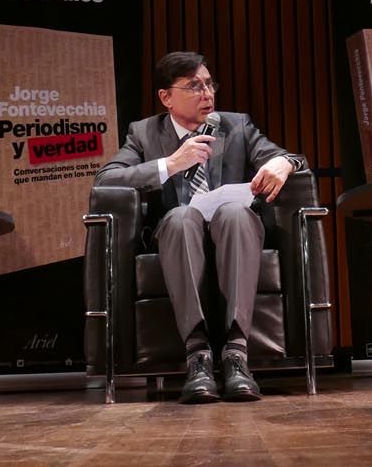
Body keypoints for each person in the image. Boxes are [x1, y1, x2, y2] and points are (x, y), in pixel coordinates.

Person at [95, 52, 302, 404]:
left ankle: (237, 356)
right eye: (194, 86)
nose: (207, 93)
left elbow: (284, 154)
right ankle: (198, 357)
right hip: (180, 233)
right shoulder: (145, 133)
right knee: (180, 217)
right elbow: (106, 179)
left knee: (236, 211)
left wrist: (283, 163)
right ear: (166, 97)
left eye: (209, 83)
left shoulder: (235, 125)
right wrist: (170, 164)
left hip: (231, 229)